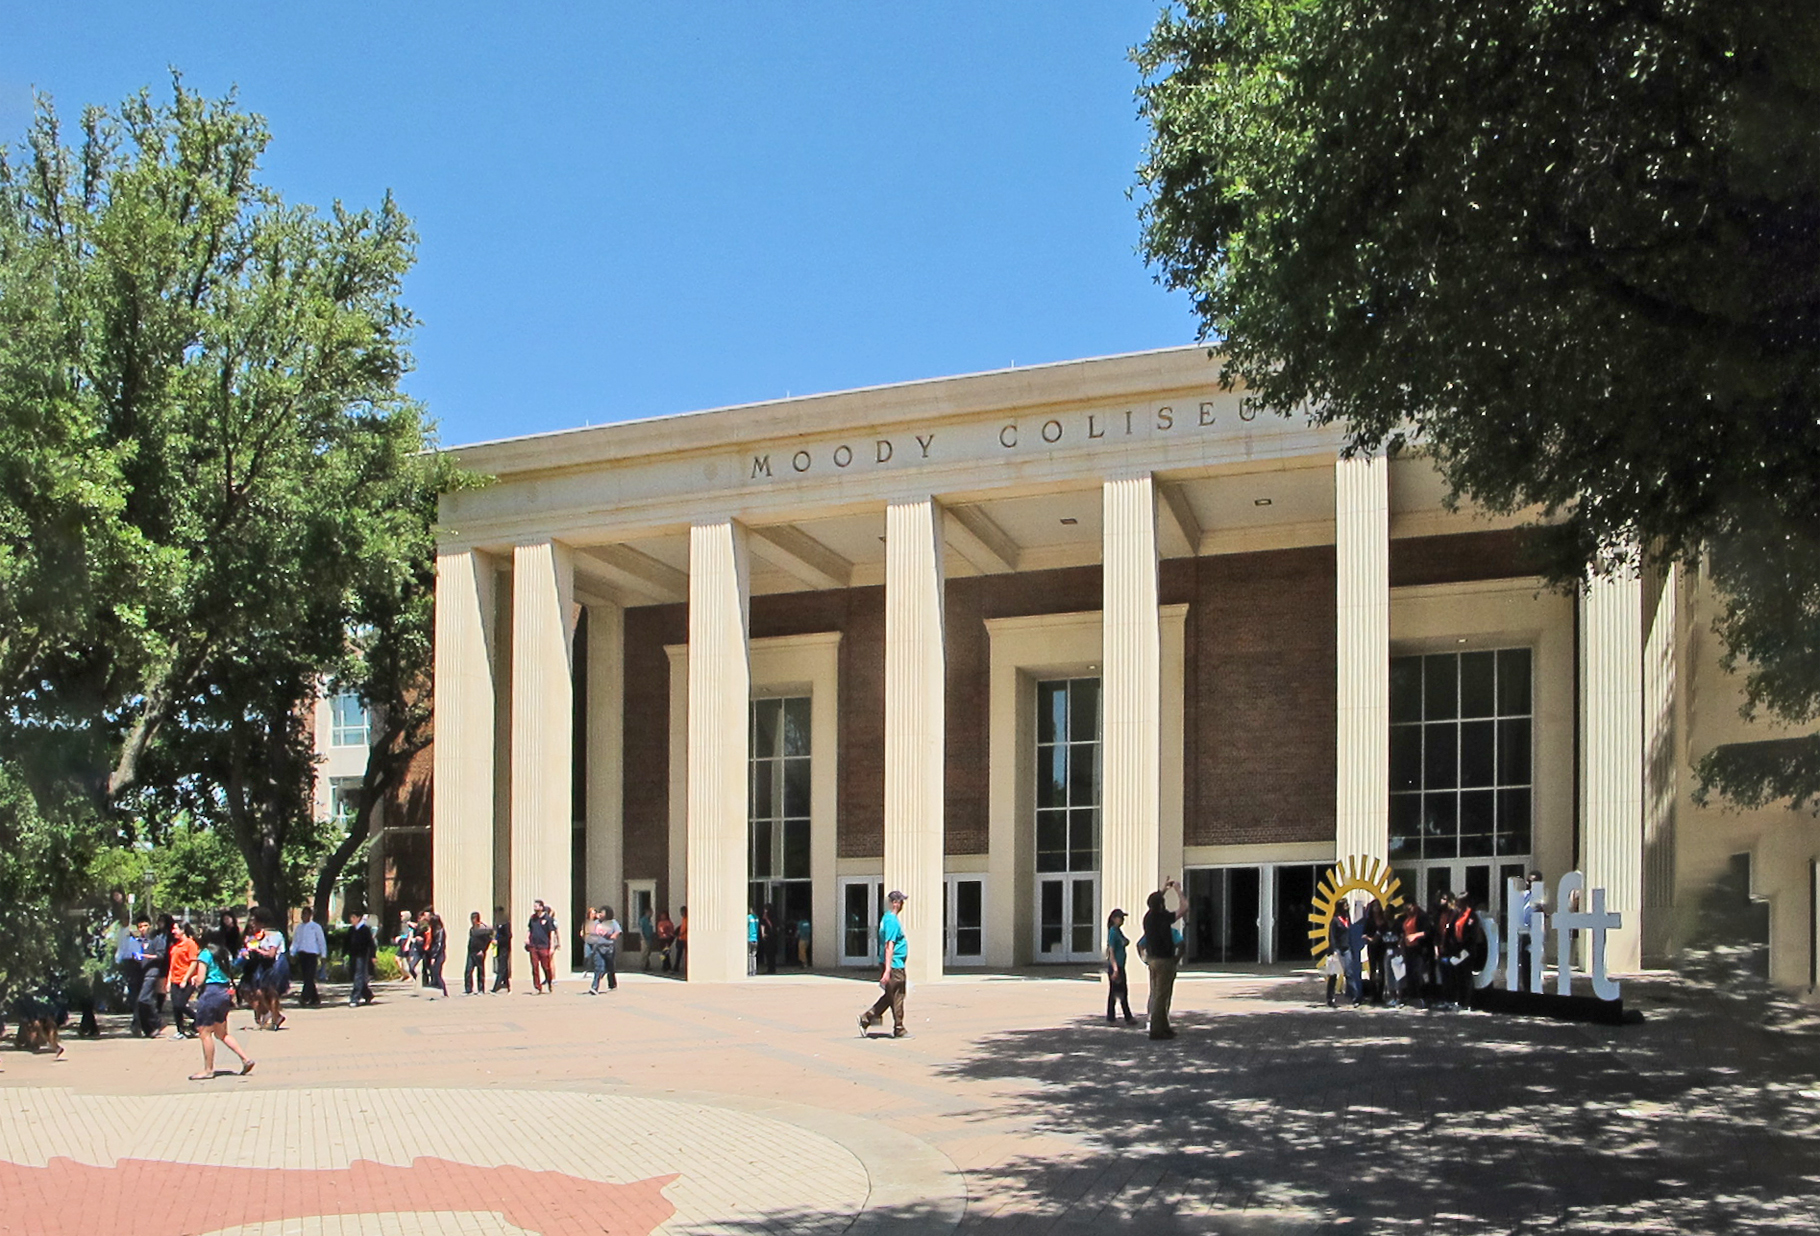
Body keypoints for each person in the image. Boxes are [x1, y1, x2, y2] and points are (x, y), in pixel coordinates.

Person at [185, 930, 254, 1080]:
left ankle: (208, 1069)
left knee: (204, 1032)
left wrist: (195, 981)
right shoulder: (224, 952)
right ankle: (245, 1058)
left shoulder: (205, 954)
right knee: (221, 1033)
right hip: (224, 992)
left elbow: (201, 978)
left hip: (210, 992)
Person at [1137, 878, 1186, 1040]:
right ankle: (1157, 1029)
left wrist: (1163, 889)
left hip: (1152, 959)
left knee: (1158, 993)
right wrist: (1178, 890)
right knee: (1162, 996)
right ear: (1161, 905)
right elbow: (1184, 908)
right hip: (1164, 959)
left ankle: (1164, 1027)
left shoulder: (1148, 918)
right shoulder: (1163, 917)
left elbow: (1154, 902)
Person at [858, 891, 909, 1038]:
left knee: (890, 996)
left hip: (893, 964)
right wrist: (887, 970)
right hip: (895, 965)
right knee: (897, 996)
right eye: (900, 901)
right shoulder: (891, 921)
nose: (902, 905)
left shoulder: (887, 918)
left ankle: (867, 1019)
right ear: (895, 903)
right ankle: (898, 1028)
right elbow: (889, 946)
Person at [243, 910, 289, 1031]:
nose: (253, 924)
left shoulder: (274, 935)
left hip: (276, 964)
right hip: (266, 965)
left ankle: (275, 1018)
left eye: (255, 921)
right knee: (261, 991)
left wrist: (257, 950)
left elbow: (271, 954)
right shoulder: (261, 935)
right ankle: (274, 1015)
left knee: (272, 992)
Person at [136, 915, 170, 1038]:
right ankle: (148, 1029)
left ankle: (157, 1021)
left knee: (144, 999)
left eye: (145, 926)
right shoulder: (138, 941)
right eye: (140, 927)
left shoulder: (156, 939)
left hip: (152, 972)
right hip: (140, 973)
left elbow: (161, 955)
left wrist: (146, 956)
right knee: (140, 1002)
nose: (143, 929)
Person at [1326, 900, 1363, 1008]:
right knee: (1334, 974)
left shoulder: (1347, 919)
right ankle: (1330, 998)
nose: (1347, 907)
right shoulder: (1335, 920)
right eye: (1345, 905)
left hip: (1347, 949)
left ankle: (1355, 997)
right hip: (1337, 949)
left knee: (1349, 972)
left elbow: (1349, 934)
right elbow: (1332, 936)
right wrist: (1333, 950)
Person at [167, 919, 199, 1039]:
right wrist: (169, 980)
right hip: (175, 979)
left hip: (187, 980)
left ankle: (198, 1019)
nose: (173, 931)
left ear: (183, 930)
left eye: (175, 928)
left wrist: (185, 978)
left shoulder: (190, 944)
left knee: (180, 1004)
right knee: (175, 1007)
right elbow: (172, 964)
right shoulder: (175, 946)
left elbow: (193, 962)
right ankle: (180, 1031)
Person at [1104, 908, 1136, 1025]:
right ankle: (1123, 1017)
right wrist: (1115, 969)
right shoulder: (1113, 932)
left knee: (1118, 992)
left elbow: (1125, 941)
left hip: (1121, 965)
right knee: (1118, 992)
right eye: (1120, 918)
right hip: (1116, 966)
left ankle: (1114, 1017)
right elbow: (1111, 951)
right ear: (1113, 919)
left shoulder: (1118, 931)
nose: (1122, 920)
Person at [291, 906, 327, 1007]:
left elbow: (321, 941)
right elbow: (296, 941)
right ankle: (315, 998)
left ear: (310, 915)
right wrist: (292, 953)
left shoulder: (315, 927)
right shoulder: (299, 927)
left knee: (309, 976)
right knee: (307, 977)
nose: (303, 916)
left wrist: (323, 955)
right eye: (302, 914)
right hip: (302, 954)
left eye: (306, 914)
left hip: (312, 954)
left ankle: (304, 997)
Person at [346, 910, 377, 1006]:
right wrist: (344, 953)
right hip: (353, 955)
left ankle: (355, 998)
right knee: (354, 975)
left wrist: (373, 955)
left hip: (362, 956)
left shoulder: (365, 929)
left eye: (354, 917)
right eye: (351, 917)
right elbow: (346, 942)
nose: (352, 919)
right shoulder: (351, 929)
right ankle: (368, 994)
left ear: (359, 918)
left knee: (358, 976)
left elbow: (371, 944)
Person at [587, 906, 621, 993]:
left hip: (609, 948)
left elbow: (617, 931)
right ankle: (594, 987)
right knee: (599, 967)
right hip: (598, 947)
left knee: (610, 967)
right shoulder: (596, 923)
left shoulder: (613, 922)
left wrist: (613, 936)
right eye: (600, 912)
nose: (600, 914)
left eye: (602, 913)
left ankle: (612, 984)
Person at [526, 900, 558, 993]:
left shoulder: (548, 919)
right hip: (533, 945)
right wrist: (527, 938)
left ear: (541, 907)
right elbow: (530, 929)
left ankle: (549, 981)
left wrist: (552, 947)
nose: (534, 908)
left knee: (546, 966)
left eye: (536, 906)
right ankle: (537, 987)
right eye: (534, 906)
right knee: (534, 966)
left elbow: (552, 932)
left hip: (544, 946)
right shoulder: (532, 918)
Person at [464, 911, 494, 995]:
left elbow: (488, 940)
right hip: (471, 952)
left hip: (479, 952)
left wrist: (483, 950)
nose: (472, 921)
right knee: (468, 970)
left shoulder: (483, 929)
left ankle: (481, 989)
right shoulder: (472, 929)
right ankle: (468, 989)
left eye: (473, 919)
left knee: (480, 971)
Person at [421, 912, 449, 997]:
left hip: (439, 955)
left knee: (436, 973)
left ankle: (443, 990)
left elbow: (439, 945)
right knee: (433, 972)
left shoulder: (440, 931)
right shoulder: (433, 930)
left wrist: (434, 956)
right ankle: (438, 989)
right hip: (434, 954)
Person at [491, 905, 513, 992]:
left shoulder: (505, 924)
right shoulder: (498, 924)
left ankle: (496, 987)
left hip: (505, 948)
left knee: (502, 967)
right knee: (503, 966)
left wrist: (498, 941)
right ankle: (506, 984)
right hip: (499, 948)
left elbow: (508, 937)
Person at [396, 910, 420, 980]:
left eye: (402, 916)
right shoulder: (402, 924)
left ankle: (411, 975)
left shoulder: (410, 924)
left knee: (409, 960)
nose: (400, 917)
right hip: (402, 941)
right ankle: (404, 974)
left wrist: (407, 944)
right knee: (397, 958)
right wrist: (399, 937)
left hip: (407, 942)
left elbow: (410, 934)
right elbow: (403, 933)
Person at [760, 904, 778, 975]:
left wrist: (762, 934)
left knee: (768, 954)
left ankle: (770, 969)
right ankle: (773, 968)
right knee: (773, 954)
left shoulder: (765, 916)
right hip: (774, 937)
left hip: (767, 936)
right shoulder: (775, 916)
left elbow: (762, 925)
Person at [638, 906, 656, 971]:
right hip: (645, 939)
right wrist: (643, 937)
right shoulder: (643, 920)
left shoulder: (649, 920)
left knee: (648, 953)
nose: (652, 914)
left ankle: (647, 965)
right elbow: (641, 929)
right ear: (647, 912)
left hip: (649, 939)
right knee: (644, 953)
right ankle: (642, 966)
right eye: (651, 912)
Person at [674, 906, 688, 977]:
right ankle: (676, 967)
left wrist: (679, 934)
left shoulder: (687, 919)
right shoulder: (683, 919)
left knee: (686, 953)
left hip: (685, 939)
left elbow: (684, 929)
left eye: (683, 912)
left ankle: (687, 967)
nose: (682, 913)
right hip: (681, 939)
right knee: (679, 953)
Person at [746, 907, 759, 977]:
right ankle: (754, 970)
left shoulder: (748, 917)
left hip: (749, 938)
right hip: (755, 938)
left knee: (749, 955)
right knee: (754, 955)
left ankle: (750, 970)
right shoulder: (757, 918)